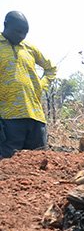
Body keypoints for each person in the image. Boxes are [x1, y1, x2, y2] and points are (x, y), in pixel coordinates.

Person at [0, 10, 55, 158]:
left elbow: (51, 68)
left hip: (35, 115)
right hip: (8, 117)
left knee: (38, 160)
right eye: (18, 31)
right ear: (5, 25)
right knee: (7, 163)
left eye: (25, 33)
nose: (21, 36)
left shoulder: (29, 48)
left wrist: (41, 85)